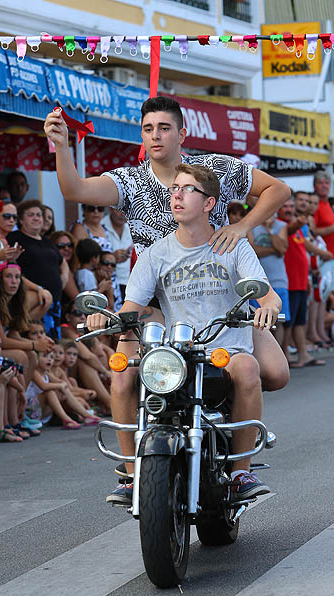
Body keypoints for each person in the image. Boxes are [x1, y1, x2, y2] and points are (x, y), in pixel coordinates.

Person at [44, 95, 291, 394]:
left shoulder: (213, 169)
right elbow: (74, 190)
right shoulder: (129, 181)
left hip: (216, 290)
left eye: (164, 128)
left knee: (276, 375)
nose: (156, 135)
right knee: (122, 378)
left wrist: (241, 227)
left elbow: (278, 189)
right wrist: (60, 145)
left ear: (182, 134)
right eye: (148, 129)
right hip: (157, 299)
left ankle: (228, 413)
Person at [88, 164, 282, 505]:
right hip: (179, 350)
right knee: (122, 371)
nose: (176, 195)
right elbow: (131, 306)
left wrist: (267, 306)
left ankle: (240, 473)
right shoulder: (154, 254)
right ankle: (132, 474)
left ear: (208, 203)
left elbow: (266, 294)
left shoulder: (232, 245)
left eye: (187, 189)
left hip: (225, 347)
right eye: (174, 188)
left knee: (249, 368)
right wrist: (104, 318)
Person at [0, 262, 53, 385]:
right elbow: (2, 340)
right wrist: (35, 345)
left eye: (17, 277)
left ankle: (21, 397)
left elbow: (13, 335)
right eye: (8, 276)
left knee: (32, 356)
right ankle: (18, 398)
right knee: (21, 356)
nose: (14, 281)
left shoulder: (14, 302)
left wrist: (43, 344)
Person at [277, 197, 331, 367]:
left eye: (291, 206)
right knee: (287, 323)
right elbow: (292, 230)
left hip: (300, 280)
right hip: (289, 281)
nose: (289, 209)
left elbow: (305, 245)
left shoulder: (296, 226)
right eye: (285, 206)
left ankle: (303, 355)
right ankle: (284, 356)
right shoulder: (282, 225)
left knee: (300, 321)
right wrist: (301, 220)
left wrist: (319, 257)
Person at [7, 200, 68, 337]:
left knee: (52, 348)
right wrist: (38, 289)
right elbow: (12, 267)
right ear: (21, 220)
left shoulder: (47, 242)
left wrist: (63, 277)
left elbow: (62, 262)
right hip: (33, 299)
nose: (36, 218)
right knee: (26, 336)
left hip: (53, 304)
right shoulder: (15, 238)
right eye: (31, 215)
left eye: (39, 215)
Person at [248, 214, 289, 345]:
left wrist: (270, 231)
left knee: (279, 321)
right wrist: (273, 249)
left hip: (279, 280)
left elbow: (282, 248)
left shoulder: (281, 226)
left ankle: (280, 354)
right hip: (258, 283)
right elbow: (252, 251)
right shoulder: (251, 225)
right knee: (259, 322)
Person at [101, 207, 133, 298]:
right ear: (110, 209)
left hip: (129, 283)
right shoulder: (101, 226)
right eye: (120, 210)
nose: (123, 214)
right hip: (108, 283)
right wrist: (112, 257)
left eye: (125, 210)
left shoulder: (131, 228)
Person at [312, 171, 334, 259]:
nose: (324, 186)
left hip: (332, 256)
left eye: (327, 183)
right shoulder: (314, 205)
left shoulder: (328, 204)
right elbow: (312, 231)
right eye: (320, 183)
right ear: (314, 186)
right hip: (321, 257)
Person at [50, 230, 80, 303]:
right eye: (61, 246)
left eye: (70, 245)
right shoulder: (63, 271)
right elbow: (79, 301)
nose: (66, 248)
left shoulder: (74, 268)